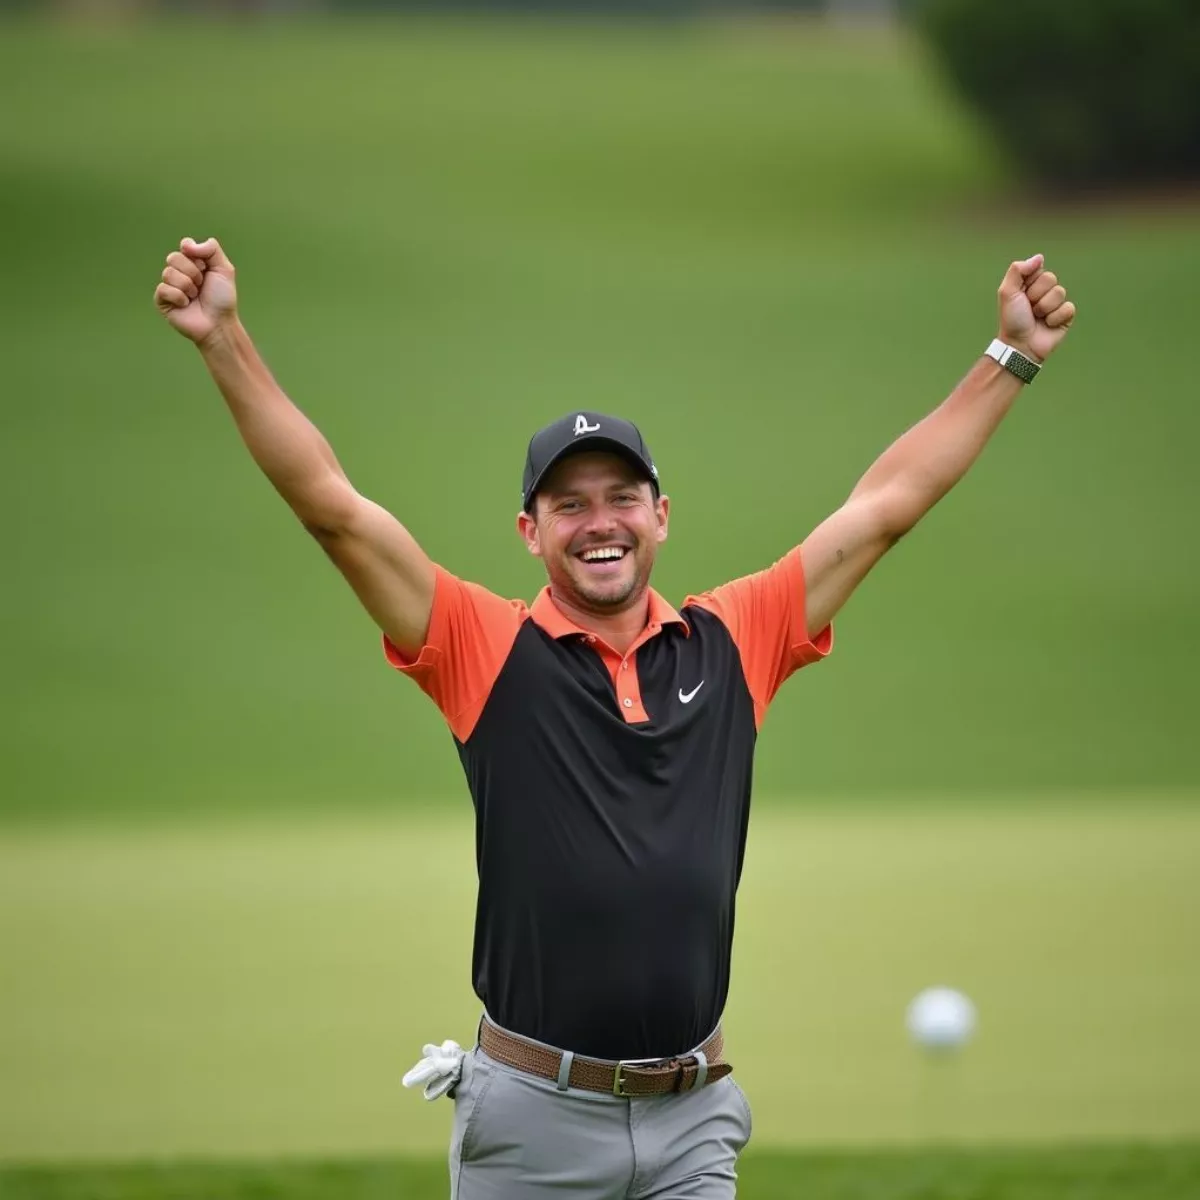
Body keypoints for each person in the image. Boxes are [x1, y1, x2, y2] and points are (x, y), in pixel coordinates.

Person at [154, 237, 1075, 1198]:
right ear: (531, 531)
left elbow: (885, 506)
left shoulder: (733, 639)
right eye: (570, 504)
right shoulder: (486, 648)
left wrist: (1009, 357)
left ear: (661, 515)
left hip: (693, 1117)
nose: (601, 522)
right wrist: (223, 338)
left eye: (622, 498)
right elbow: (333, 509)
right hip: (535, 1126)